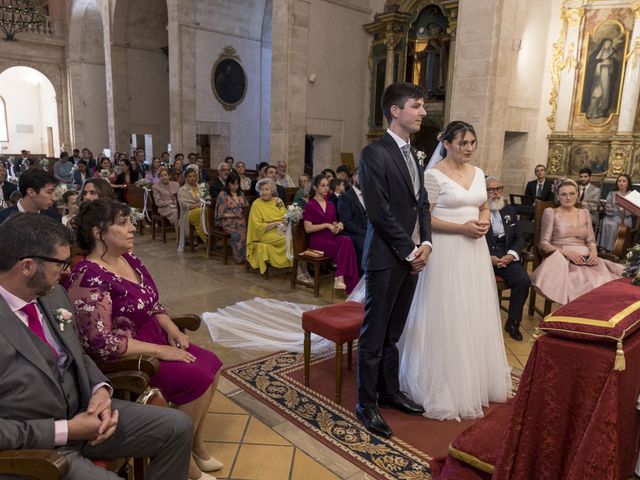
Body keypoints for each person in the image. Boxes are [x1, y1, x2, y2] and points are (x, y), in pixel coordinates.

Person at [0, 212, 193, 479]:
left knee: (178, 427)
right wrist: (67, 430)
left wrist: (99, 390)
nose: (67, 270)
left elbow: (76, 352)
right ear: (27, 267)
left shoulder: (53, 294)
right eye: (61, 263)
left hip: (86, 411)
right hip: (37, 448)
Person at [66, 200, 223, 480]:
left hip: (153, 335)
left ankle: (195, 444)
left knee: (213, 363)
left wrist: (171, 327)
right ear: (98, 233)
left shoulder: (129, 259)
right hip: (130, 354)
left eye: (130, 221)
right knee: (196, 378)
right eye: (123, 223)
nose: (132, 228)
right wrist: (162, 351)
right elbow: (102, 342)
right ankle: (185, 462)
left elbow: (151, 303)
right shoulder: (88, 277)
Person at [399, 120, 511, 421]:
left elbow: (484, 205)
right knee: (446, 312)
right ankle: (442, 381)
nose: (469, 149)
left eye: (472, 143)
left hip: (474, 251)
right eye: (463, 143)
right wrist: (461, 228)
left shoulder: (478, 174)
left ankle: (475, 377)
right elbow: (426, 219)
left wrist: (484, 220)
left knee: (472, 311)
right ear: (445, 143)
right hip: (447, 250)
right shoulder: (433, 176)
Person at [356, 82, 432, 438]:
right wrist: (411, 249)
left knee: (394, 332)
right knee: (374, 335)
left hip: (411, 258)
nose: (423, 112)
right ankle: (366, 403)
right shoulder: (375, 153)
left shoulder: (415, 154)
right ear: (395, 111)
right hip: (387, 258)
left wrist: (427, 241)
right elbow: (379, 212)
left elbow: (422, 204)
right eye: (416, 106)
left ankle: (389, 391)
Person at [531, 178, 623, 304]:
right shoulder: (551, 213)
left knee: (604, 282)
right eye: (564, 194)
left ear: (577, 194)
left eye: (572, 193)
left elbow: (590, 240)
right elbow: (544, 244)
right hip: (561, 259)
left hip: (586, 258)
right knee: (581, 283)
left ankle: (593, 319)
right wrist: (566, 253)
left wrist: (593, 252)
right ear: (558, 196)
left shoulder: (584, 212)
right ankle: (574, 316)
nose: (568, 197)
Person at [485, 176, 531, 341]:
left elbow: (519, 237)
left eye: (499, 189)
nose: (496, 193)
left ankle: (513, 322)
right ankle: (484, 323)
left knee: (523, 280)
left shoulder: (509, 210)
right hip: (484, 258)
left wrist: (511, 255)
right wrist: (488, 258)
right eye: (491, 190)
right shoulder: (476, 210)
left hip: (507, 255)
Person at [303, 175, 359, 292]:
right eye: (322, 186)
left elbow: (333, 224)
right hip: (317, 240)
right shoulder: (309, 205)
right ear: (315, 187)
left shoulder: (331, 204)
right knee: (345, 246)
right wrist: (326, 225)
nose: (326, 188)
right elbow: (308, 228)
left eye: (327, 185)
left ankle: (340, 277)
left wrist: (338, 226)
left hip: (331, 237)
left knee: (346, 240)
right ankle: (343, 280)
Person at [246, 178, 292, 274]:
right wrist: (275, 223)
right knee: (289, 239)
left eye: (267, 189)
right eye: (262, 190)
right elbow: (257, 226)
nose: (264, 192)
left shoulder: (278, 201)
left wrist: (283, 223)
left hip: (280, 229)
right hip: (263, 233)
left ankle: (294, 265)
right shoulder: (256, 204)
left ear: (272, 190)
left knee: (296, 237)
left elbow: (285, 215)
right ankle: (294, 266)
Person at [337, 168, 367, 276]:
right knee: (364, 243)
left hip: (366, 231)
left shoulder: (369, 196)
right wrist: (365, 233)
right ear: (354, 177)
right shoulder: (345, 197)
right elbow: (346, 222)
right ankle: (361, 280)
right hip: (351, 233)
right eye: (361, 175)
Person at [215, 171, 248, 263]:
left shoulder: (241, 193)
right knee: (239, 232)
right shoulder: (223, 195)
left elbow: (246, 206)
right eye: (233, 184)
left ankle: (249, 255)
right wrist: (234, 215)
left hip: (241, 218)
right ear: (228, 183)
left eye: (237, 184)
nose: (235, 186)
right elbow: (221, 214)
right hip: (228, 220)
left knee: (250, 229)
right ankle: (239, 257)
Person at [585, 38, 620, 119]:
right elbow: (592, 64)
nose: (608, 45)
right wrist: (600, 64)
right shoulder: (597, 53)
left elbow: (613, 68)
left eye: (609, 44)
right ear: (603, 44)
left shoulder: (611, 53)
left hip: (606, 76)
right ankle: (590, 111)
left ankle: (600, 111)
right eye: (606, 43)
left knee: (605, 94)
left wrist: (611, 64)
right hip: (597, 76)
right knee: (596, 94)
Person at [598, 173, 634, 252]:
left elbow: (631, 211)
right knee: (604, 222)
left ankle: (613, 249)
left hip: (625, 218)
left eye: (624, 181)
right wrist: (616, 209)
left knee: (614, 224)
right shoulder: (612, 193)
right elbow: (608, 207)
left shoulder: (631, 195)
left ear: (628, 183)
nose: (621, 183)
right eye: (619, 181)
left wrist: (619, 209)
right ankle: (603, 248)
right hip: (611, 216)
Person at [178, 167, 207, 244]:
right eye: (190, 176)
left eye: (194, 176)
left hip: (202, 210)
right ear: (186, 178)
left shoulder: (201, 187)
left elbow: (207, 199)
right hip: (188, 213)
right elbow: (184, 204)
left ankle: (209, 236)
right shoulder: (182, 189)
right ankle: (207, 239)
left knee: (206, 212)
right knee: (202, 211)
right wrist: (197, 205)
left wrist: (203, 203)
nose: (192, 178)